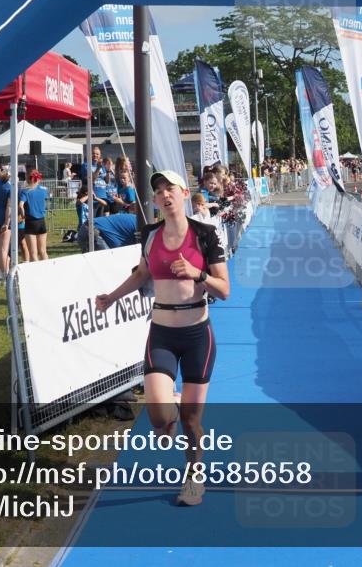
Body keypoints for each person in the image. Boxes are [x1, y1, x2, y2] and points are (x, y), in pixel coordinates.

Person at [96, 170, 230, 507]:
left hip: (199, 334)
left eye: (170, 188)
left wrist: (198, 274)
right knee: (158, 416)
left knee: (191, 420)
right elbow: (142, 274)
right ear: (155, 200)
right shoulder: (150, 234)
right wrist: (111, 297)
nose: (165, 195)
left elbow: (225, 289)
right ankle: (166, 406)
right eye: (158, 191)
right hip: (162, 333)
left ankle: (193, 476)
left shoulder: (205, 234)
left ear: (184, 192)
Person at [19, 169, 49, 261]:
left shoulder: (25, 191)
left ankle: (36, 273)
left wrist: (23, 215)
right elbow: (46, 202)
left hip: (30, 221)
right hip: (41, 221)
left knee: (33, 253)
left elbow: (20, 205)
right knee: (43, 251)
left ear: (28, 179)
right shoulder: (44, 190)